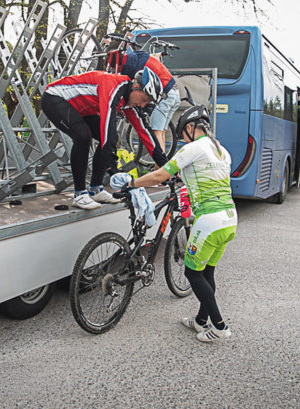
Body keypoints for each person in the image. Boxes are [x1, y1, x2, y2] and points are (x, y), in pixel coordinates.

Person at [127, 105, 236, 342]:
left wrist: (133, 183)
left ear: (189, 128)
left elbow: (159, 175)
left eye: (182, 134)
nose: (182, 139)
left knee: (192, 272)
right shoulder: (222, 151)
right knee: (207, 271)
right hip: (229, 219)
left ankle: (219, 326)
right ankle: (200, 320)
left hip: (210, 220)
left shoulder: (193, 148)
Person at [41, 67, 168, 210]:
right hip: (55, 98)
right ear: (136, 87)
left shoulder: (129, 101)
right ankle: (79, 194)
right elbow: (108, 127)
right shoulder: (113, 86)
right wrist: (113, 169)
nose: (143, 105)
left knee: (107, 137)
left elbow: (145, 133)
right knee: (84, 136)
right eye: (144, 99)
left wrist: (167, 166)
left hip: (79, 108)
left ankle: (95, 189)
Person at [107, 50, 180, 153]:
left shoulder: (128, 67)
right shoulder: (137, 55)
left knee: (156, 133)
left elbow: (128, 90)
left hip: (164, 94)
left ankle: (160, 166)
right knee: (161, 132)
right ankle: (163, 164)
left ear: (117, 66)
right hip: (175, 92)